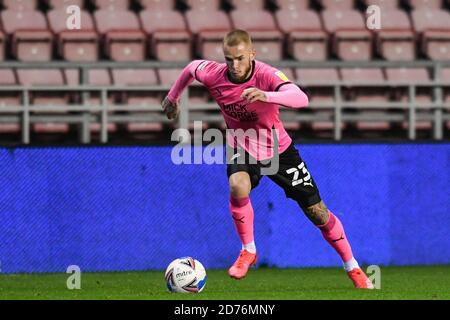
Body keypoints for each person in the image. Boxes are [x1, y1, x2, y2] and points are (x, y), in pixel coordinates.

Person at [161, 30, 373, 289]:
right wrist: (173, 98)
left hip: (279, 151)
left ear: (252, 54)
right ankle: (248, 250)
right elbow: (192, 68)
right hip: (242, 145)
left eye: (239, 58)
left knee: (317, 212)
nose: (234, 65)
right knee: (237, 184)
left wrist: (267, 95)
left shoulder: (266, 75)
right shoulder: (214, 74)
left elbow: (301, 98)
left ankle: (353, 267)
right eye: (229, 59)